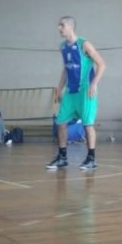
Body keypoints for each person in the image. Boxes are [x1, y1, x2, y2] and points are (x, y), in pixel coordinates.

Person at [46, 16, 107, 171]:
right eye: (59, 25)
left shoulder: (84, 44)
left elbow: (101, 64)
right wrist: (59, 88)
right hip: (71, 91)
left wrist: (94, 84)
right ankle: (62, 157)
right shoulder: (63, 47)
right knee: (61, 122)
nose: (59, 28)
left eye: (62, 25)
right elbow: (66, 70)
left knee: (88, 124)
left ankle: (91, 159)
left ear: (70, 27)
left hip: (86, 90)